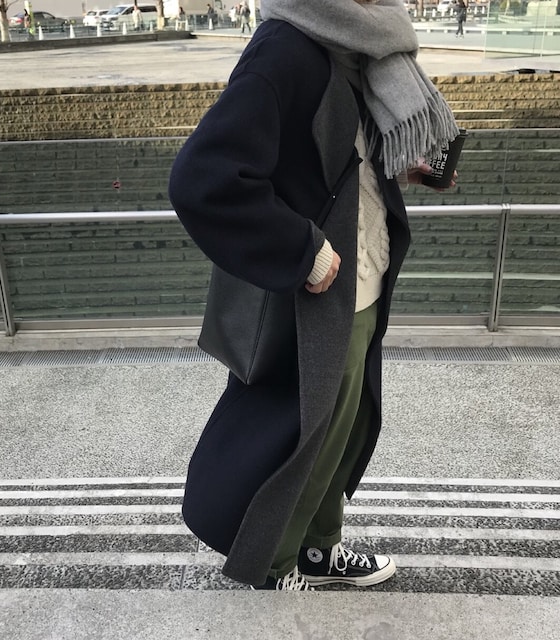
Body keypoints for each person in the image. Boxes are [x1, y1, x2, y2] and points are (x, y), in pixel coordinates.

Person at [169, 0, 459, 591]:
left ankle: (321, 549)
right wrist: (301, 251)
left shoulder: (357, 47)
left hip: (365, 275)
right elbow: (203, 178)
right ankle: (273, 563)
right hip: (319, 289)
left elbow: (339, 156)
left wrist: (403, 165)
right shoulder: (285, 49)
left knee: (341, 428)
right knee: (302, 437)